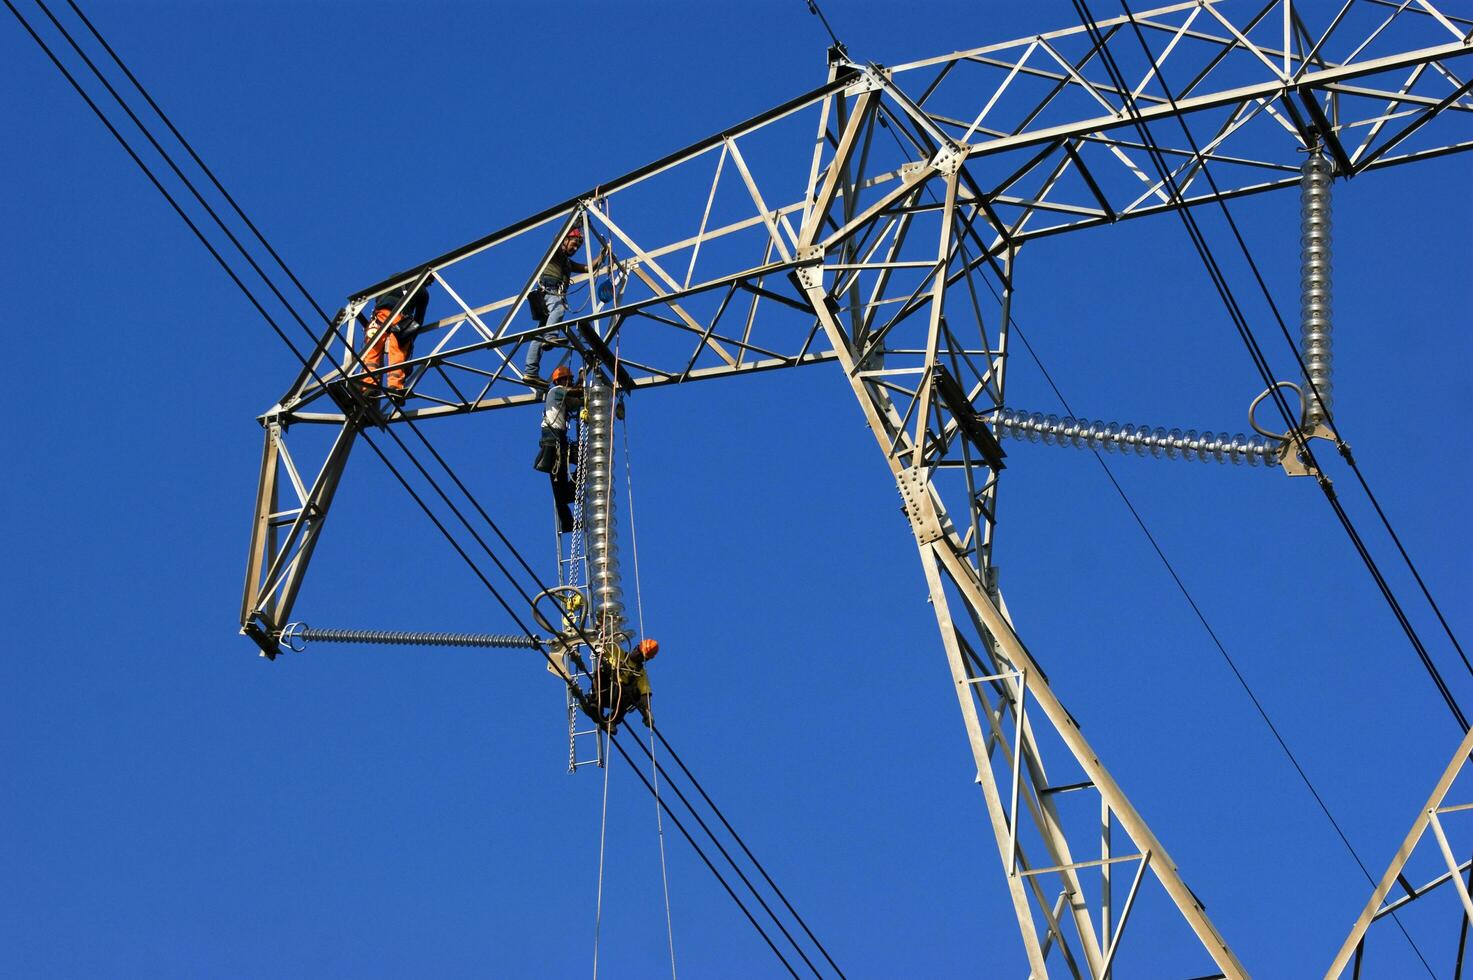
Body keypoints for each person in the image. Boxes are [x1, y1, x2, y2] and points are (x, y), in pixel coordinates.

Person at [524, 227, 607, 384]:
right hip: (548, 291)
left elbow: (588, 268)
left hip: (553, 294)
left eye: (577, 247)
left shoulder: (568, 263)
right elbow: (559, 235)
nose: (575, 249)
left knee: (540, 333)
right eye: (573, 244)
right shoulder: (555, 252)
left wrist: (601, 256)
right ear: (565, 240)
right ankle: (550, 337)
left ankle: (530, 372)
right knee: (559, 309)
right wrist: (576, 223)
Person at [362, 279, 430, 402]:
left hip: (379, 316)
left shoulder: (395, 278)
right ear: (427, 280)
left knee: (372, 352)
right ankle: (395, 387)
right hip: (399, 318)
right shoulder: (423, 291)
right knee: (398, 352)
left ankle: (369, 386)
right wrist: (408, 340)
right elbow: (419, 320)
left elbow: (378, 297)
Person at [533, 364, 582, 533]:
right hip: (553, 442)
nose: (570, 382)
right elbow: (576, 394)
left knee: (581, 462)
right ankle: (568, 519)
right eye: (568, 379)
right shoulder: (556, 391)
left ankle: (573, 492)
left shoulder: (562, 396)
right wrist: (582, 382)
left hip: (558, 441)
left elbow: (576, 403)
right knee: (559, 489)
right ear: (560, 380)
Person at [599, 637, 658, 733]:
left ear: (645, 659)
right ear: (636, 648)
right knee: (601, 672)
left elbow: (645, 694)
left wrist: (647, 713)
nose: (637, 655)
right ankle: (594, 703)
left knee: (633, 693)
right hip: (605, 691)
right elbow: (603, 646)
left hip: (618, 698)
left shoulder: (640, 673)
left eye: (641, 655)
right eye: (638, 651)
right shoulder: (617, 652)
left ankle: (612, 721)